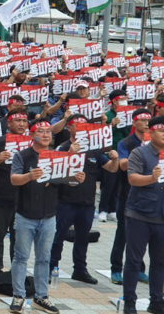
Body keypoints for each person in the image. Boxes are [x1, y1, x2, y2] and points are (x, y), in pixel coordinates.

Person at [9, 119, 86, 314]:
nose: (45, 135)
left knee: (44, 258)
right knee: (21, 257)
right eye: (41, 131)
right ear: (31, 135)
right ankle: (18, 295)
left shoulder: (58, 156)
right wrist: (29, 176)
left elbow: (68, 181)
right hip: (25, 215)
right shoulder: (23, 156)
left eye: (48, 132)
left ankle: (41, 296)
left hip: (49, 215)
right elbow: (14, 179)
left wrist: (76, 179)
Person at [50, 114, 119, 284]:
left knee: (83, 238)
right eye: (77, 124)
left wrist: (115, 159)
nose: (81, 127)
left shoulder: (93, 149)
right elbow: (52, 170)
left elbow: (111, 168)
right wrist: (69, 154)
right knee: (57, 238)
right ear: (69, 127)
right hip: (65, 202)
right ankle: (51, 267)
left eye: (84, 125)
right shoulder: (63, 147)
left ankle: (80, 269)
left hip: (87, 203)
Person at [122, 116, 164, 314]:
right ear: (152, 132)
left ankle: (156, 300)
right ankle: (130, 301)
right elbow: (132, 178)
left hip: (162, 218)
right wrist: (152, 178)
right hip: (139, 214)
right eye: (161, 131)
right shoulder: (140, 152)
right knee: (134, 260)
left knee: (160, 261)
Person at [0, 108, 29, 274]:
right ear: (8, 123)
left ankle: (16, 273)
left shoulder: (31, 143)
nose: (21, 124)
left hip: (23, 200)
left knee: (19, 241)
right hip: (0, 198)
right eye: (18, 121)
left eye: (24, 121)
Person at [110, 108, 150, 285]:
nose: (146, 123)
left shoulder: (155, 143)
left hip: (149, 196)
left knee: (143, 235)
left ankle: (139, 268)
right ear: (134, 123)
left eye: (149, 119)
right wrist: (140, 153)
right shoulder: (126, 143)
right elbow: (123, 165)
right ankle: (116, 269)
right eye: (142, 120)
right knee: (123, 233)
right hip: (127, 195)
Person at [99, 90, 131, 222]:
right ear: (114, 102)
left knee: (119, 183)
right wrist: (110, 125)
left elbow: (130, 133)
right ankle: (102, 209)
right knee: (109, 182)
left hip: (124, 153)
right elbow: (100, 135)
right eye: (120, 100)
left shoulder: (129, 115)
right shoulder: (107, 115)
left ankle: (112, 209)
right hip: (110, 153)